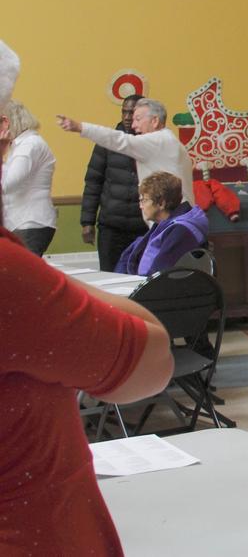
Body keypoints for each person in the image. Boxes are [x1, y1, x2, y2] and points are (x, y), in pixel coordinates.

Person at [0, 40, 174, 556]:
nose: (134, 121)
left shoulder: (158, 143)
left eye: (140, 114)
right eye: (132, 115)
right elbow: (148, 360)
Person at [57, 97, 195, 206]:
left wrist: (80, 127)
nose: (133, 125)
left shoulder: (157, 141)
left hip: (172, 221)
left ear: (154, 121)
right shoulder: (169, 140)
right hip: (177, 218)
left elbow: (120, 140)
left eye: (138, 119)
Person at [80, 94, 149, 271]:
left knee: (141, 278)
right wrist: (87, 222)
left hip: (143, 227)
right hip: (111, 227)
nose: (127, 117)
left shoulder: (152, 143)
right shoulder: (107, 142)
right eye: (124, 112)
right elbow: (93, 182)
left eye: (132, 113)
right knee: (109, 276)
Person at [116, 171, 208, 276]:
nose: (141, 206)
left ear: (161, 203)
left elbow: (161, 275)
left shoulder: (181, 231)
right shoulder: (164, 225)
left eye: (144, 200)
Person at [1, 99, 57, 255]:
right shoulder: (21, 145)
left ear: (6, 122)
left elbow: (7, 185)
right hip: (24, 222)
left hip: (30, 223)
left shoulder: (29, 145)